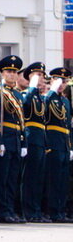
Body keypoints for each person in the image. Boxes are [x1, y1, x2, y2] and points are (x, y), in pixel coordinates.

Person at [0, 55, 25, 223]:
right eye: (8, 71)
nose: (12, 75)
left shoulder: (18, 96)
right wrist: (0, 141)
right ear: (2, 73)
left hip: (16, 140)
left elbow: (22, 121)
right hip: (5, 138)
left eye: (15, 72)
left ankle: (10, 209)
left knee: (13, 178)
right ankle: (0, 210)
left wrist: (23, 143)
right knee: (2, 177)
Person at [44, 67, 72, 223]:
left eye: (65, 81)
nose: (62, 84)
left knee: (63, 180)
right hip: (52, 143)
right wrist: (51, 92)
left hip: (64, 143)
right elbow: (44, 111)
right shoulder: (48, 97)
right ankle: (52, 210)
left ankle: (60, 210)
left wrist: (70, 146)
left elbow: (67, 124)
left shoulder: (65, 100)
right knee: (53, 180)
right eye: (58, 80)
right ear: (52, 81)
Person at [20, 62, 48, 222]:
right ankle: (28, 210)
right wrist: (31, 87)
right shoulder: (26, 94)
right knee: (29, 177)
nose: (41, 79)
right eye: (37, 75)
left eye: (42, 76)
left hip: (40, 139)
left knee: (38, 177)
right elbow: (25, 106)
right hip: (31, 137)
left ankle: (36, 210)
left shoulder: (40, 97)